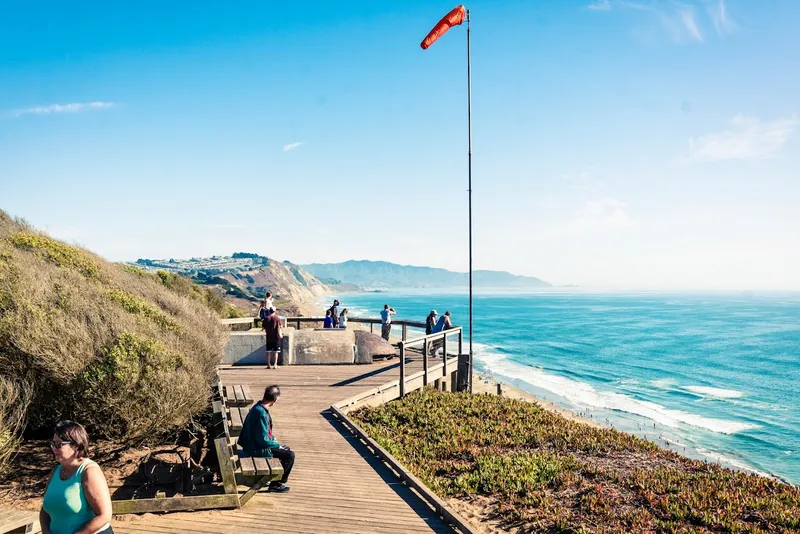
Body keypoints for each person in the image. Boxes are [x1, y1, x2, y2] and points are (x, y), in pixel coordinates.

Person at [40, 421, 113, 534]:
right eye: (53, 444)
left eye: (59, 444)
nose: (54, 448)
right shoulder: (55, 471)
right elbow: (45, 510)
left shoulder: (88, 471)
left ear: (76, 445)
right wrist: (45, 531)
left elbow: (104, 516)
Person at [237, 385, 294, 493]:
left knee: (286, 449)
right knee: (290, 456)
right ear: (275, 399)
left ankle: (273, 479)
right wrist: (277, 445)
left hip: (252, 444)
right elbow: (262, 440)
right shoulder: (261, 413)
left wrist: (273, 440)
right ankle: (276, 484)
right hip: (255, 448)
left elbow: (263, 434)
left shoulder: (258, 407)